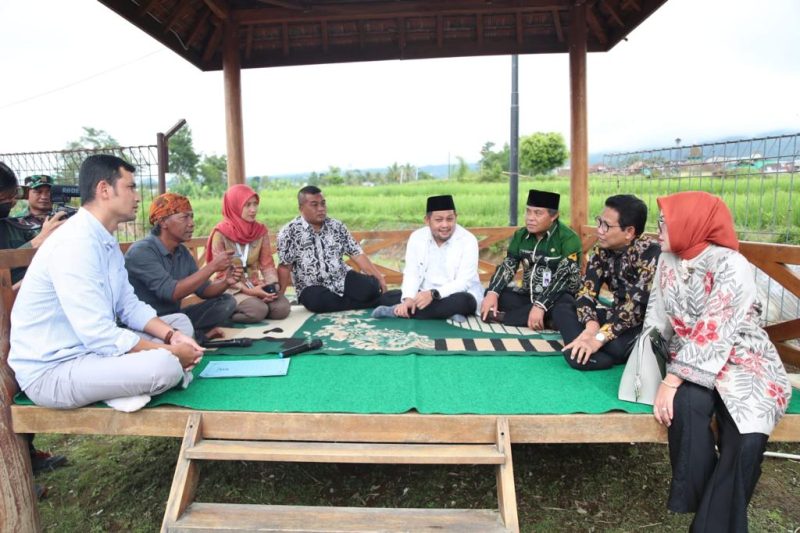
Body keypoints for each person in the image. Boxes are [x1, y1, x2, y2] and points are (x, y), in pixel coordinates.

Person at [8, 154, 204, 410]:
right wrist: (171, 353)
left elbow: (129, 306)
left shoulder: (104, 240)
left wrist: (172, 336)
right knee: (164, 366)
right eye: (131, 187)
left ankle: (122, 384)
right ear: (104, 190)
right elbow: (98, 333)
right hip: (54, 369)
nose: (137, 197)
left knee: (179, 324)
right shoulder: (74, 243)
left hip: (92, 353)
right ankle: (124, 385)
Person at [646, 191, 791, 532]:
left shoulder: (730, 264)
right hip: (690, 357)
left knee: (747, 434)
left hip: (744, 358)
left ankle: (708, 523)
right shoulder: (667, 260)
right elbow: (657, 315)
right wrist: (647, 359)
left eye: (665, 223)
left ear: (690, 223)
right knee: (686, 406)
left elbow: (717, 327)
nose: (658, 230)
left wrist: (670, 381)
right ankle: (709, 500)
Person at [0, 163, 67, 498]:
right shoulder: (17, 227)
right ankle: (11, 482)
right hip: (8, 313)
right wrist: (41, 240)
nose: (10, 204)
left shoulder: (12, 225)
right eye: (8, 198)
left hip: (21, 321)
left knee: (12, 393)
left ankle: (25, 459)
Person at [551, 194, 660, 370]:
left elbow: (633, 310)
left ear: (629, 232)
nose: (599, 230)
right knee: (562, 303)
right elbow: (586, 291)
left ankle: (581, 351)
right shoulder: (602, 250)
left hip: (639, 324)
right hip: (613, 316)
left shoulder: (651, 255)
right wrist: (591, 328)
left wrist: (599, 339)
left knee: (616, 347)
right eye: (599, 222)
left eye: (606, 226)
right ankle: (583, 348)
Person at [125, 192, 240, 337]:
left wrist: (226, 282)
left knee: (226, 301)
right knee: (181, 321)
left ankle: (191, 335)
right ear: (162, 222)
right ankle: (197, 336)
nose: (191, 223)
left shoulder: (182, 252)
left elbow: (204, 291)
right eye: (184, 217)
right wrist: (212, 267)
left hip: (177, 317)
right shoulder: (141, 251)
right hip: (148, 322)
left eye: (191, 216)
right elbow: (171, 293)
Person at [480, 189, 582, 330]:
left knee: (565, 306)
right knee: (493, 294)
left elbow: (563, 279)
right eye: (528, 211)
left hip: (557, 297)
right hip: (528, 296)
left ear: (554, 216)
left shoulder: (568, 238)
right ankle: (545, 320)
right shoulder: (521, 235)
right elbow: (508, 265)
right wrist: (493, 292)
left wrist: (540, 305)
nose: (530, 218)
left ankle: (507, 318)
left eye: (538, 213)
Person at [371, 195, 483, 321]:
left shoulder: (468, 240)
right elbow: (411, 273)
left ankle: (396, 311)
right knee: (386, 297)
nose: (445, 225)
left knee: (463, 302)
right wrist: (408, 298)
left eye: (450, 219)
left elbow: (464, 282)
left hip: (456, 293)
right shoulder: (417, 237)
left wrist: (433, 294)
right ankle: (446, 313)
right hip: (423, 293)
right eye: (439, 220)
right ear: (427, 220)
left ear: (456, 218)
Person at [277, 185, 387, 313]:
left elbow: (357, 254)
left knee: (372, 287)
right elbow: (285, 266)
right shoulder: (289, 232)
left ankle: (357, 301)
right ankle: (374, 302)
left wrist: (380, 278)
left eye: (323, 204)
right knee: (317, 301)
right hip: (312, 286)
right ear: (301, 208)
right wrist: (280, 295)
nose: (321, 209)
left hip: (341, 277)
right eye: (314, 205)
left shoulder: (337, 226)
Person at [206, 184, 290, 323]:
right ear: (234, 206)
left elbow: (267, 264)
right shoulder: (220, 234)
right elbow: (221, 274)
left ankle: (257, 307)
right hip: (231, 288)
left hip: (256, 284)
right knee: (257, 310)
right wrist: (250, 292)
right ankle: (223, 314)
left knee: (282, 308)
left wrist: (271, 287)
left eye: (255, 204)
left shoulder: (260, 231)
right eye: (247, 205)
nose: (253, 210)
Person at [0, 165, 67, 285]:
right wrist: (39, 240)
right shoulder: (17, 223)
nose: (13, 202)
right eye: (5, 198)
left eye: (13, 195)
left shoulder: (8, 223)